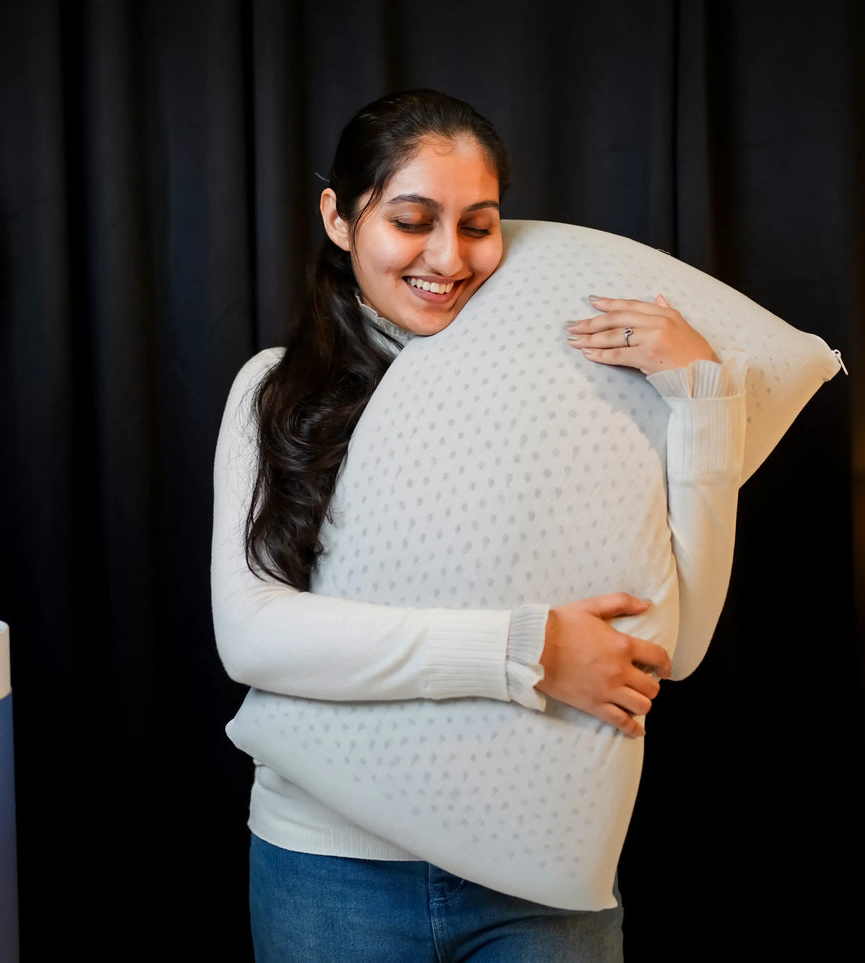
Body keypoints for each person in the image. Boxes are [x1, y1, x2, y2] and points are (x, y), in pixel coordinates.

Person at [211, 89, 745, 961]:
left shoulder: (579, 394)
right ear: (339, 219)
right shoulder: (276, 390)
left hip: (539, 873)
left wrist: (700, 395)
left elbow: (674, 647)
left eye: (478, 225)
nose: (447, 257)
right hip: (329, 867)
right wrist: (524, 651)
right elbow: (251, 637)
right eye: (411, 220)